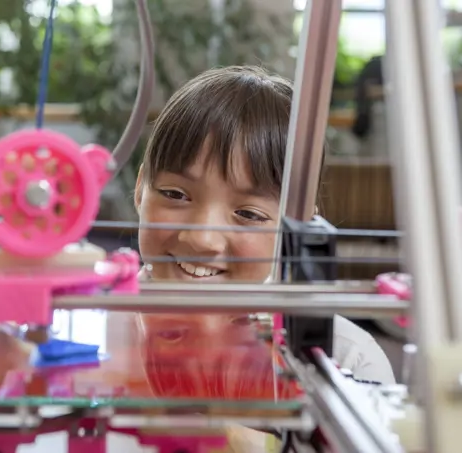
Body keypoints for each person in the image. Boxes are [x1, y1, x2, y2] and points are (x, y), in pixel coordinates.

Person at [130, 65, 396, 451]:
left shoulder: (349, 359)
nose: (202, 239)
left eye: (249, 214)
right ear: (140, 189)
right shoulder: (97, 332)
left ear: (298, 227)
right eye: (175, 194)